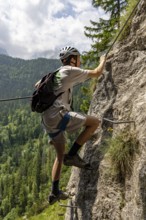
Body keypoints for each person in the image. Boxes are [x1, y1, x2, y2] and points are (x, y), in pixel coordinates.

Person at [41, 46, 106, 205]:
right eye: (78, 58)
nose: (80, 61)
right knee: (94, 123)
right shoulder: (70, 70)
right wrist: (103, 59)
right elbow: (97, 72)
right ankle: (72, 155)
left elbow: (38, 85)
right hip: (60, 116)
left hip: (48, 120)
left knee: (59, 155)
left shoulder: (55, 73)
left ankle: (54, 191)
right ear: (72, 59)